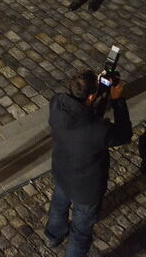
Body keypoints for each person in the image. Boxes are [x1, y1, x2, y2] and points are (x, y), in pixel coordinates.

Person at [44, 69, 132, 256]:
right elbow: (124, 134)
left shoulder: (56, 103)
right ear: (91, 96)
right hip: (86, 188)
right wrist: (117, 100)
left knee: (59, 205)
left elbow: (82, 114)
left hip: (61, 171)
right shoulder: (99, 130)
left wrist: (96, 88)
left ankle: (53, 235)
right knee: (81, 230)